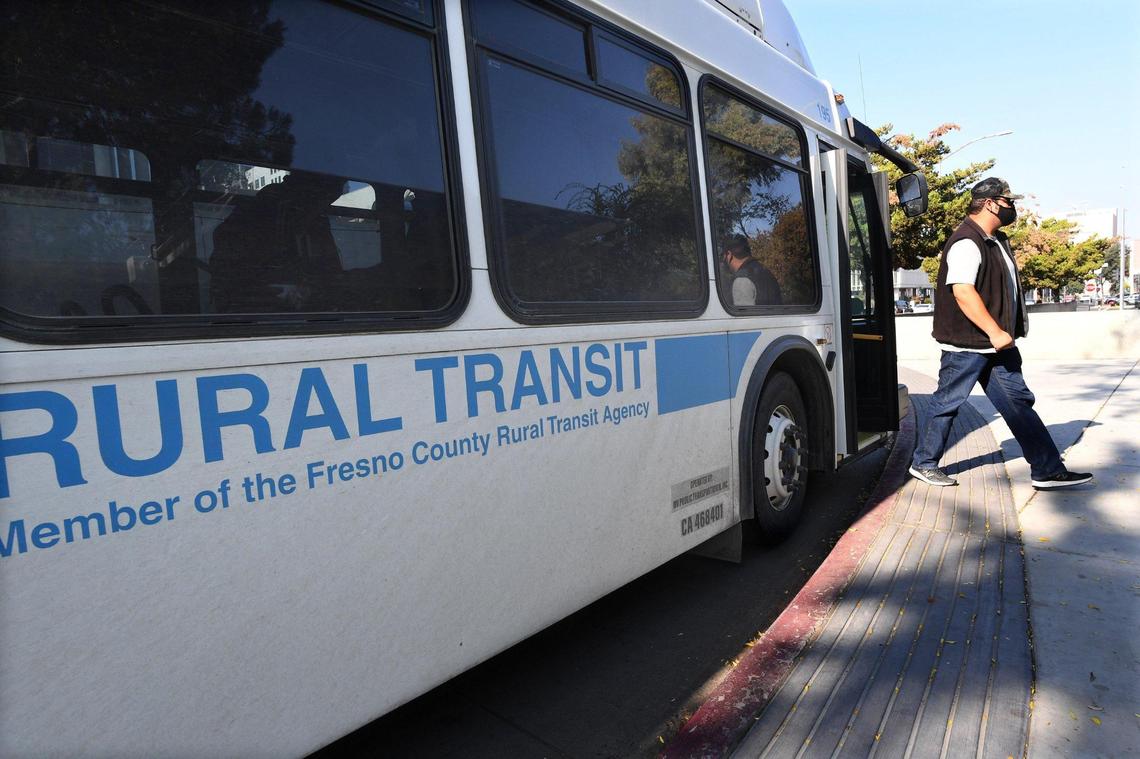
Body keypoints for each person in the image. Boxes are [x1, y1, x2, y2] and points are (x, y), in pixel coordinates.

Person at [909, 178, 1092, 489]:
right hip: (968, 344)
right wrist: (995, 331)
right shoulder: (967, 241)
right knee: (946, 403)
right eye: (1008, 201)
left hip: (996, 345)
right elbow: (963, 292)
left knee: (1018, 403)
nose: (1012, 207)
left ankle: (1047, 470)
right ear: (990, 203)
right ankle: (923, 463)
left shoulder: (996, 240)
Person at [721, 233, 781, 306]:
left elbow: (744, 316)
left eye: (723, 256)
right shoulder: (767, 273)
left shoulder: (741, 280)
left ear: (729, 254)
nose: (723, 260)